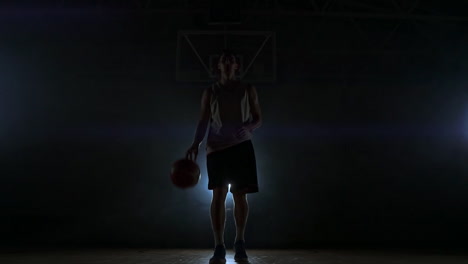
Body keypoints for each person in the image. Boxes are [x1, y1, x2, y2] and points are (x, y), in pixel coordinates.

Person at [186, 49, 262, 264]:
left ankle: (239, 242)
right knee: (218, 195)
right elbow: (203, 121)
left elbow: (258, 118)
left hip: (241, 146)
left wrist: (250, 127)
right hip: (217, 148)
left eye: (232, 60)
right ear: (218, 66)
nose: (228, 62)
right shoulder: (211, 91)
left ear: (236, 66)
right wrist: (196, 143)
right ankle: (219, 245)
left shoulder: (247, 89)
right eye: (224, 60)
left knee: (240, 196)